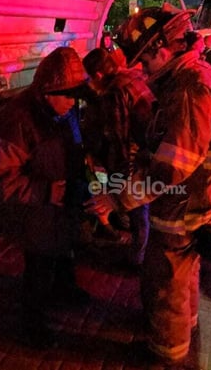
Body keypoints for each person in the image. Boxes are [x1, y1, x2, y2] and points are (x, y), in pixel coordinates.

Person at [86, 4, 211, 366]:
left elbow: (169, 171)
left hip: (182, 210)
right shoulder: (192, 78)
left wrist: (117, 199)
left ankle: (165, 351)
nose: (139, 68)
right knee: (184, 276)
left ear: (161, 48)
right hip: (198, 204)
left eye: (143, 59)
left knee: (165, 281)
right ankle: (184, 328)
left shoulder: (189, 91)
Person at [0, 46, 91, 347]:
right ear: (47, 91)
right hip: (35, 209)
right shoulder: (17, 120)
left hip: (59, 202)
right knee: (40, 264)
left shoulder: (61, 112)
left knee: (66, 246)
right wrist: (45, 191)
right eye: (68, 95)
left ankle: (64, 287)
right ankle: (32, 322)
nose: (73, 102)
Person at [82, 47, 155, 266]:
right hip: (149, 152)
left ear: (98, 76)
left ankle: (138, 258)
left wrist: (121, 178)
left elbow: (119, 138)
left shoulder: (114, 93)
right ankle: (142, 250)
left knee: (137, 208)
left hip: (134, 158)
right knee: (143, 207)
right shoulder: (133, 77)